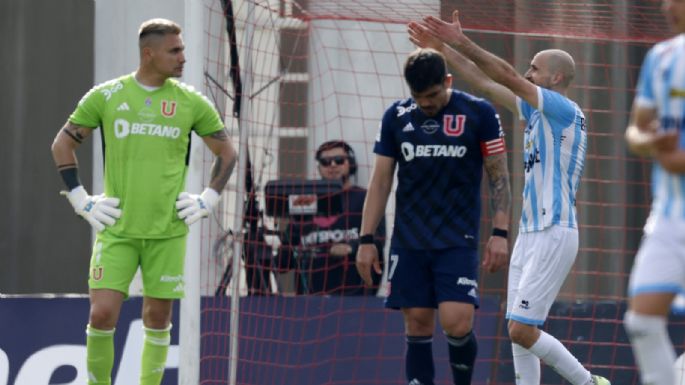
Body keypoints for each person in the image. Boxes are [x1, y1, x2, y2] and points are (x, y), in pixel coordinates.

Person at [409, 10, 610, 385]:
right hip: (531, 232)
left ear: (556, 78)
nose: (527, 73)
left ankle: (589, 382)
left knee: (521, 328)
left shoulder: (563, 109)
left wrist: (458, 40)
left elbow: (505, 76)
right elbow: (487, 85)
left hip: (554, 228)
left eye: (534, 69)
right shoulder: (536, 113)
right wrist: (442, 52)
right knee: (517, 327)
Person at [50, 18, 237, 385]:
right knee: (102, 315)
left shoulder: (191, 102)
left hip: (167, 230)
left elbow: (227, 153)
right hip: (117, 228)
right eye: (175, 50)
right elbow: (62, 144)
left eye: (182, 49)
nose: (183, 58)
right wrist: (81, 200)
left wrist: (209, 199)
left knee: (157, 317)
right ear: (148, 54)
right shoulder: (106, 96)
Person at [356, 48, 512, 385]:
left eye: (432, 95)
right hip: (410, 238)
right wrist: (366, 239)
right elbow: (381, 180)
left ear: (448, 81)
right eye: (418, 96)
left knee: (458, 321)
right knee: (417, 322)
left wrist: (501, 232)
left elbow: (499, 175)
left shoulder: (480, 113)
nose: (426, 103)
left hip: (458, 238)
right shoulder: (395, 117)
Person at [623, 1, 685, 384]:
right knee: (642, 320)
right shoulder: (660, 58)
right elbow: (635, 130)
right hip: (668, 215)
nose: (667, 6)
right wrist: (651, 143)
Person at [277, 140, 385, 295]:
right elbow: (284, 260)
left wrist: (351, 247)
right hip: (308, 300)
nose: (333, 165)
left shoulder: (365, 198)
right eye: (326, 162)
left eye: (339, 160)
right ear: (319, 167)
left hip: (355, 298)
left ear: (351, 164)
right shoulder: (306, 199)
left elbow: (379, 239)